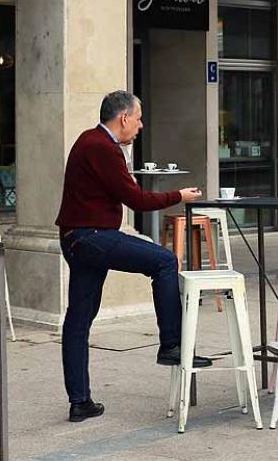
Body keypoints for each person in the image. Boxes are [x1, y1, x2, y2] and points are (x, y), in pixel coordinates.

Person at [56, 90, 208, 423]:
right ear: (123, 117)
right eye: (138, 119)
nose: (139, 126)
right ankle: (172, 344)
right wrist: (178, 195)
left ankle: (80, 401)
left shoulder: (90, 142)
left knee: (79, 319)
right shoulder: (103, 148)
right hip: (91, 237)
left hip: (78, 238)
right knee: (165, 262)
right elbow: (135, 199)